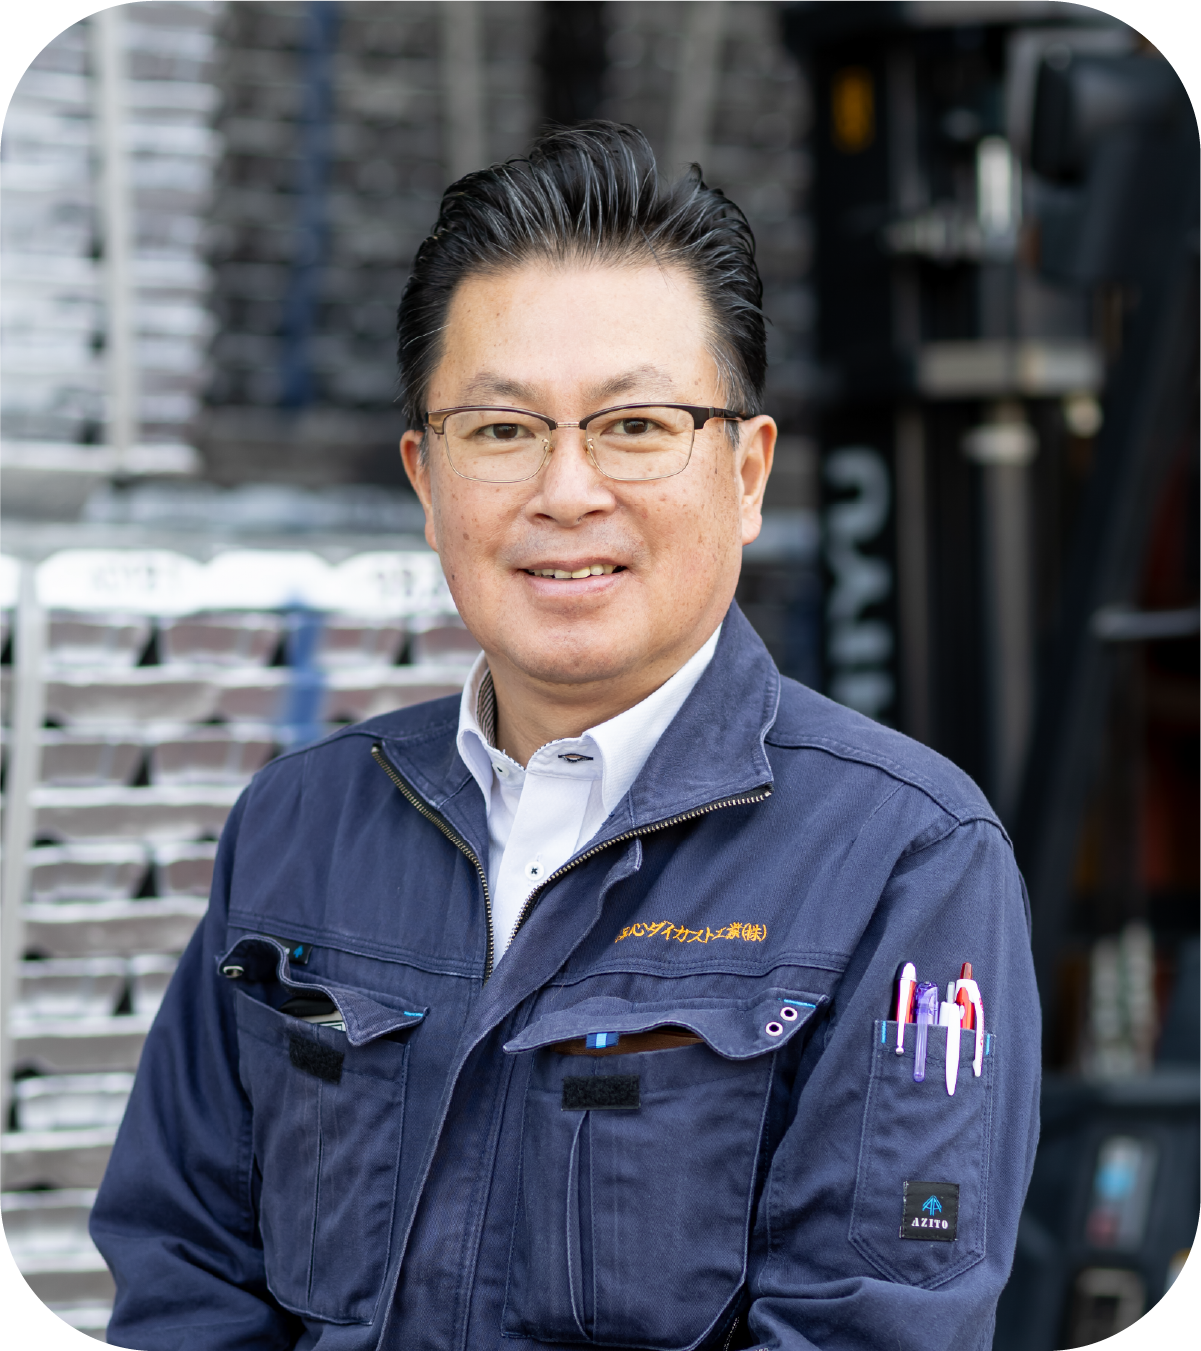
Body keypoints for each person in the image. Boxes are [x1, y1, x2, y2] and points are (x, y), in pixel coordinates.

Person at [91, 122, 1040, 1351]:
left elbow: (870, 1327)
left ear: (746, 473)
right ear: (427, 481)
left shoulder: (904, 860)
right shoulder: (300, 825)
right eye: (501, 431)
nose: (566, 489)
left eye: (635, 426)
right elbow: (183, 1270)